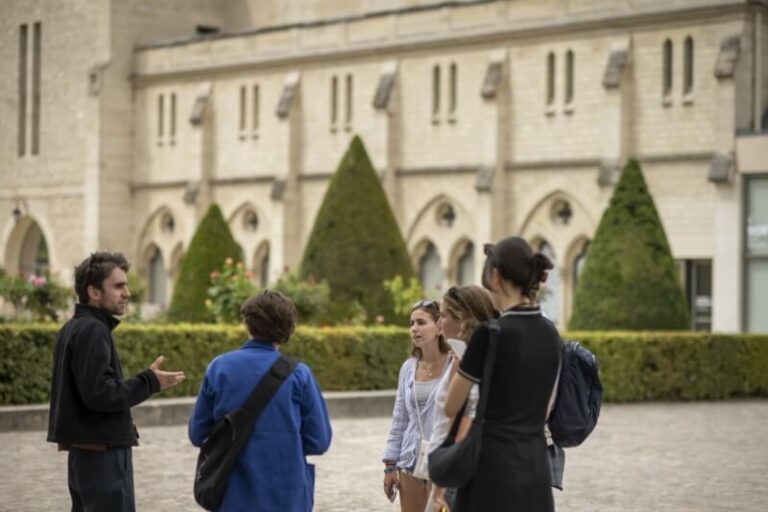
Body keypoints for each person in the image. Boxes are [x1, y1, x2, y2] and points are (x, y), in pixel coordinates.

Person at [47, 251, 186, 511]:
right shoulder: (92, 329)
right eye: (119, 285)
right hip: (101, 453)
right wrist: (149, 381)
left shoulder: (73, 327)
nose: (127, 293)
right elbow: (100, 393)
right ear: (94, 292)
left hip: (85, 451)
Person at [444, 237, 561, 511]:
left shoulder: (490, 334)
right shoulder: (549, 333)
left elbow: (451, 405)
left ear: (495, 275)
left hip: (491, 469)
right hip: (535, 467)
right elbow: (544, 410)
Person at [189, 290, 332, 511]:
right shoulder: (299, 375)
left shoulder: (220, 368)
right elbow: (319, 441)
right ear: (287, 328)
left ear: (247, 322)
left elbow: (197, 434)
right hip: (287, 496)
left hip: (231, 495)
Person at [427, 285, 496, 512]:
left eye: (444, 316)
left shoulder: (465, 363)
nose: (439, 324)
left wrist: (439, 488)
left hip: (454, 470)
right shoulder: (484, 355)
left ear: (463, 319)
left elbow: (460, 425)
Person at [383, 299, 451, 512]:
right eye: (411, 323)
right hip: (411, 462)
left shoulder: (455, 365)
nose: (414, 329)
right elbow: (400, 420)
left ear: (439, 326)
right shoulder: (408, 368)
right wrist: (389, 466)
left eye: (421, 322)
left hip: (444, 462)